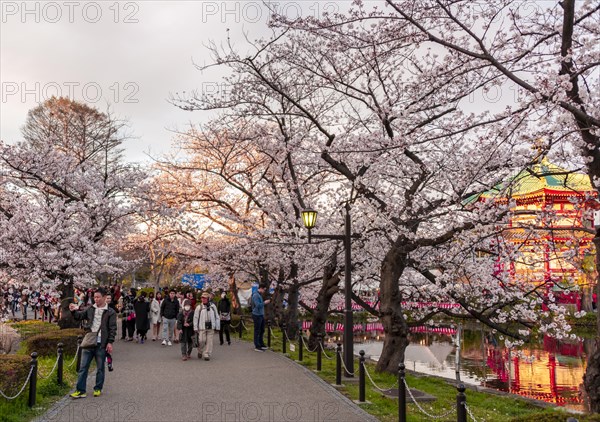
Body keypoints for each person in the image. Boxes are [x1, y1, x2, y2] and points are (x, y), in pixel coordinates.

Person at [68, 287, 117, 398]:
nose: (96, 299)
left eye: (98, 297)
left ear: (105, 297)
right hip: (89, 341)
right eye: (95, 297)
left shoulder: (110, 312)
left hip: (101, 343)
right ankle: (80, 390)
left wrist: (110, 342)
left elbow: (113, 328)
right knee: (83, 367)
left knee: (100, 368)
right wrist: (73, 311)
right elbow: (79, 316)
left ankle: (98, 388)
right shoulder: (90, 309)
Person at [193, 292, 220, 361]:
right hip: (202, 327)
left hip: (211, 327)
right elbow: (195, 318)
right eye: (202, 298)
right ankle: (200, 350)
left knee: (209, 341)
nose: (203, 299)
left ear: (208, 299)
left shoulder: (213, 306)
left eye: (205, 298)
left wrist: (217, 326)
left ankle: (207, 354)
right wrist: (195, 327)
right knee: (201, 340)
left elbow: (217, 316)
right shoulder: (199, 307)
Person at [251, 286, 270, 352]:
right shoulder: (256, 295)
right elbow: (258, 305)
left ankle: (261, 343)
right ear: (261, 288)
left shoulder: (259, 295)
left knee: (262, 330)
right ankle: (257, 345)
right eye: (264, 289)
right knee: (257, 330)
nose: (264, 291)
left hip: (260, 315)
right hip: (256, 315)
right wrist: (265, 302)